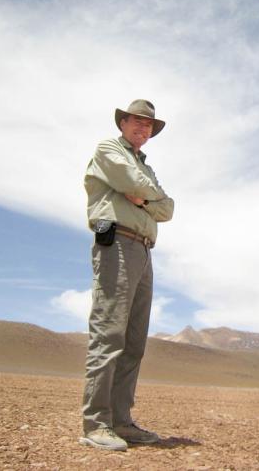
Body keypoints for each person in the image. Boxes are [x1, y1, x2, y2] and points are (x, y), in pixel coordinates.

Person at [79, 99, 174, 451]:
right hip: (117, 243)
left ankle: (121, 420)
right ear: (123, 123)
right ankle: (96, 424)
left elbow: (168, 208)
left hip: (144, 250)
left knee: (134, 342)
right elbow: (128, 180)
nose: (143, 128)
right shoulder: (108, 150)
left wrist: (145, 200)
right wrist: (148, 195)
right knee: (109, 335)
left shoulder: (144, 166)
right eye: (137, 121)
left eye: (149, 125)